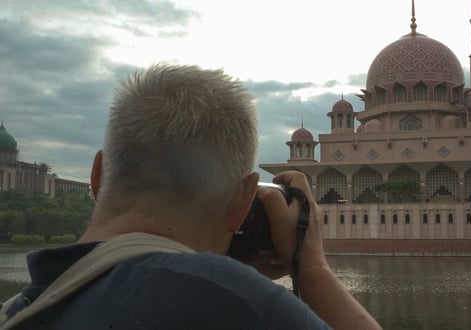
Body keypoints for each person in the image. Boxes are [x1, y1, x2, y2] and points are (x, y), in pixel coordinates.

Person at [0, 64, 381, 329]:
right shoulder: (233, 299)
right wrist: (312, 271)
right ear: (243, 199)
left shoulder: (26, 302)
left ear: (97, 176)